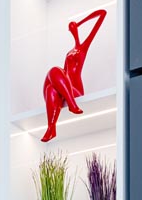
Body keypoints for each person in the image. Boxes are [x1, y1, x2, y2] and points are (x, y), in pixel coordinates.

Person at [41, 8, 107, 142]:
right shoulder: (69, 51)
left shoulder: (83, 47)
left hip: (75, 90)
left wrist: (81, 22)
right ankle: (52, 128)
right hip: (64, 90)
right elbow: (63, 73)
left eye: (73, 27)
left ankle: (68, 107)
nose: (72, 29)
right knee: (50, 88)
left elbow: (102, 14)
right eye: (70, 28)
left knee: (54, 71)